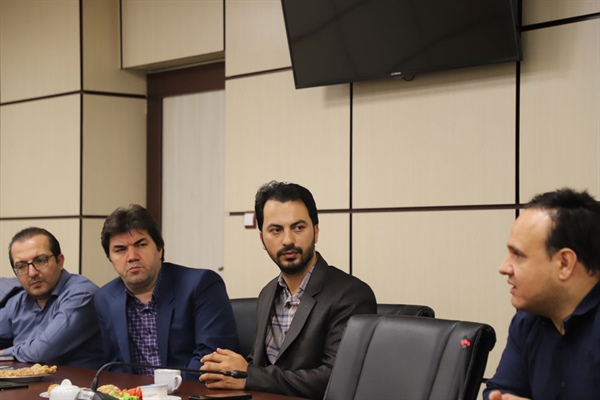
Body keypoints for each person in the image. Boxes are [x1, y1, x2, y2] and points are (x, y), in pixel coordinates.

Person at [200, 181, 377, 399]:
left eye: (298, 228)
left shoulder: (351, 295)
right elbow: (261, 364)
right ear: (262, 239)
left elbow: (335, 378)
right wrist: (227, 371)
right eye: (276, 230)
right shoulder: (267, 293)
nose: (287, 240)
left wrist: (248, 375)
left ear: (316, 232)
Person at [94, 204, 239, 380]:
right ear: (110, 258)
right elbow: (113, 364)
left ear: (159, 249)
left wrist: (164, 390)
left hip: (192, 390)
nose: (132, 256)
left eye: (141, 244)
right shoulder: (105, 298)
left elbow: (211, 359)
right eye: (120, 250)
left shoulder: (202, 285)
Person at [484, 188, 600, 400]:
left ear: (564, 263)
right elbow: (501, 389)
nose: (504, 267)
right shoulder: (528, 320)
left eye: (518, 255)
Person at [0, 227, 103, 368]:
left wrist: (5, 353)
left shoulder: (82, 294)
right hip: (26, 380)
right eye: (22, 266)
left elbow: (41, 352)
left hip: (78, 381)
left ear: (60, 261)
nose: (32, 273)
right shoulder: (18, 301)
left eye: (40, 260)